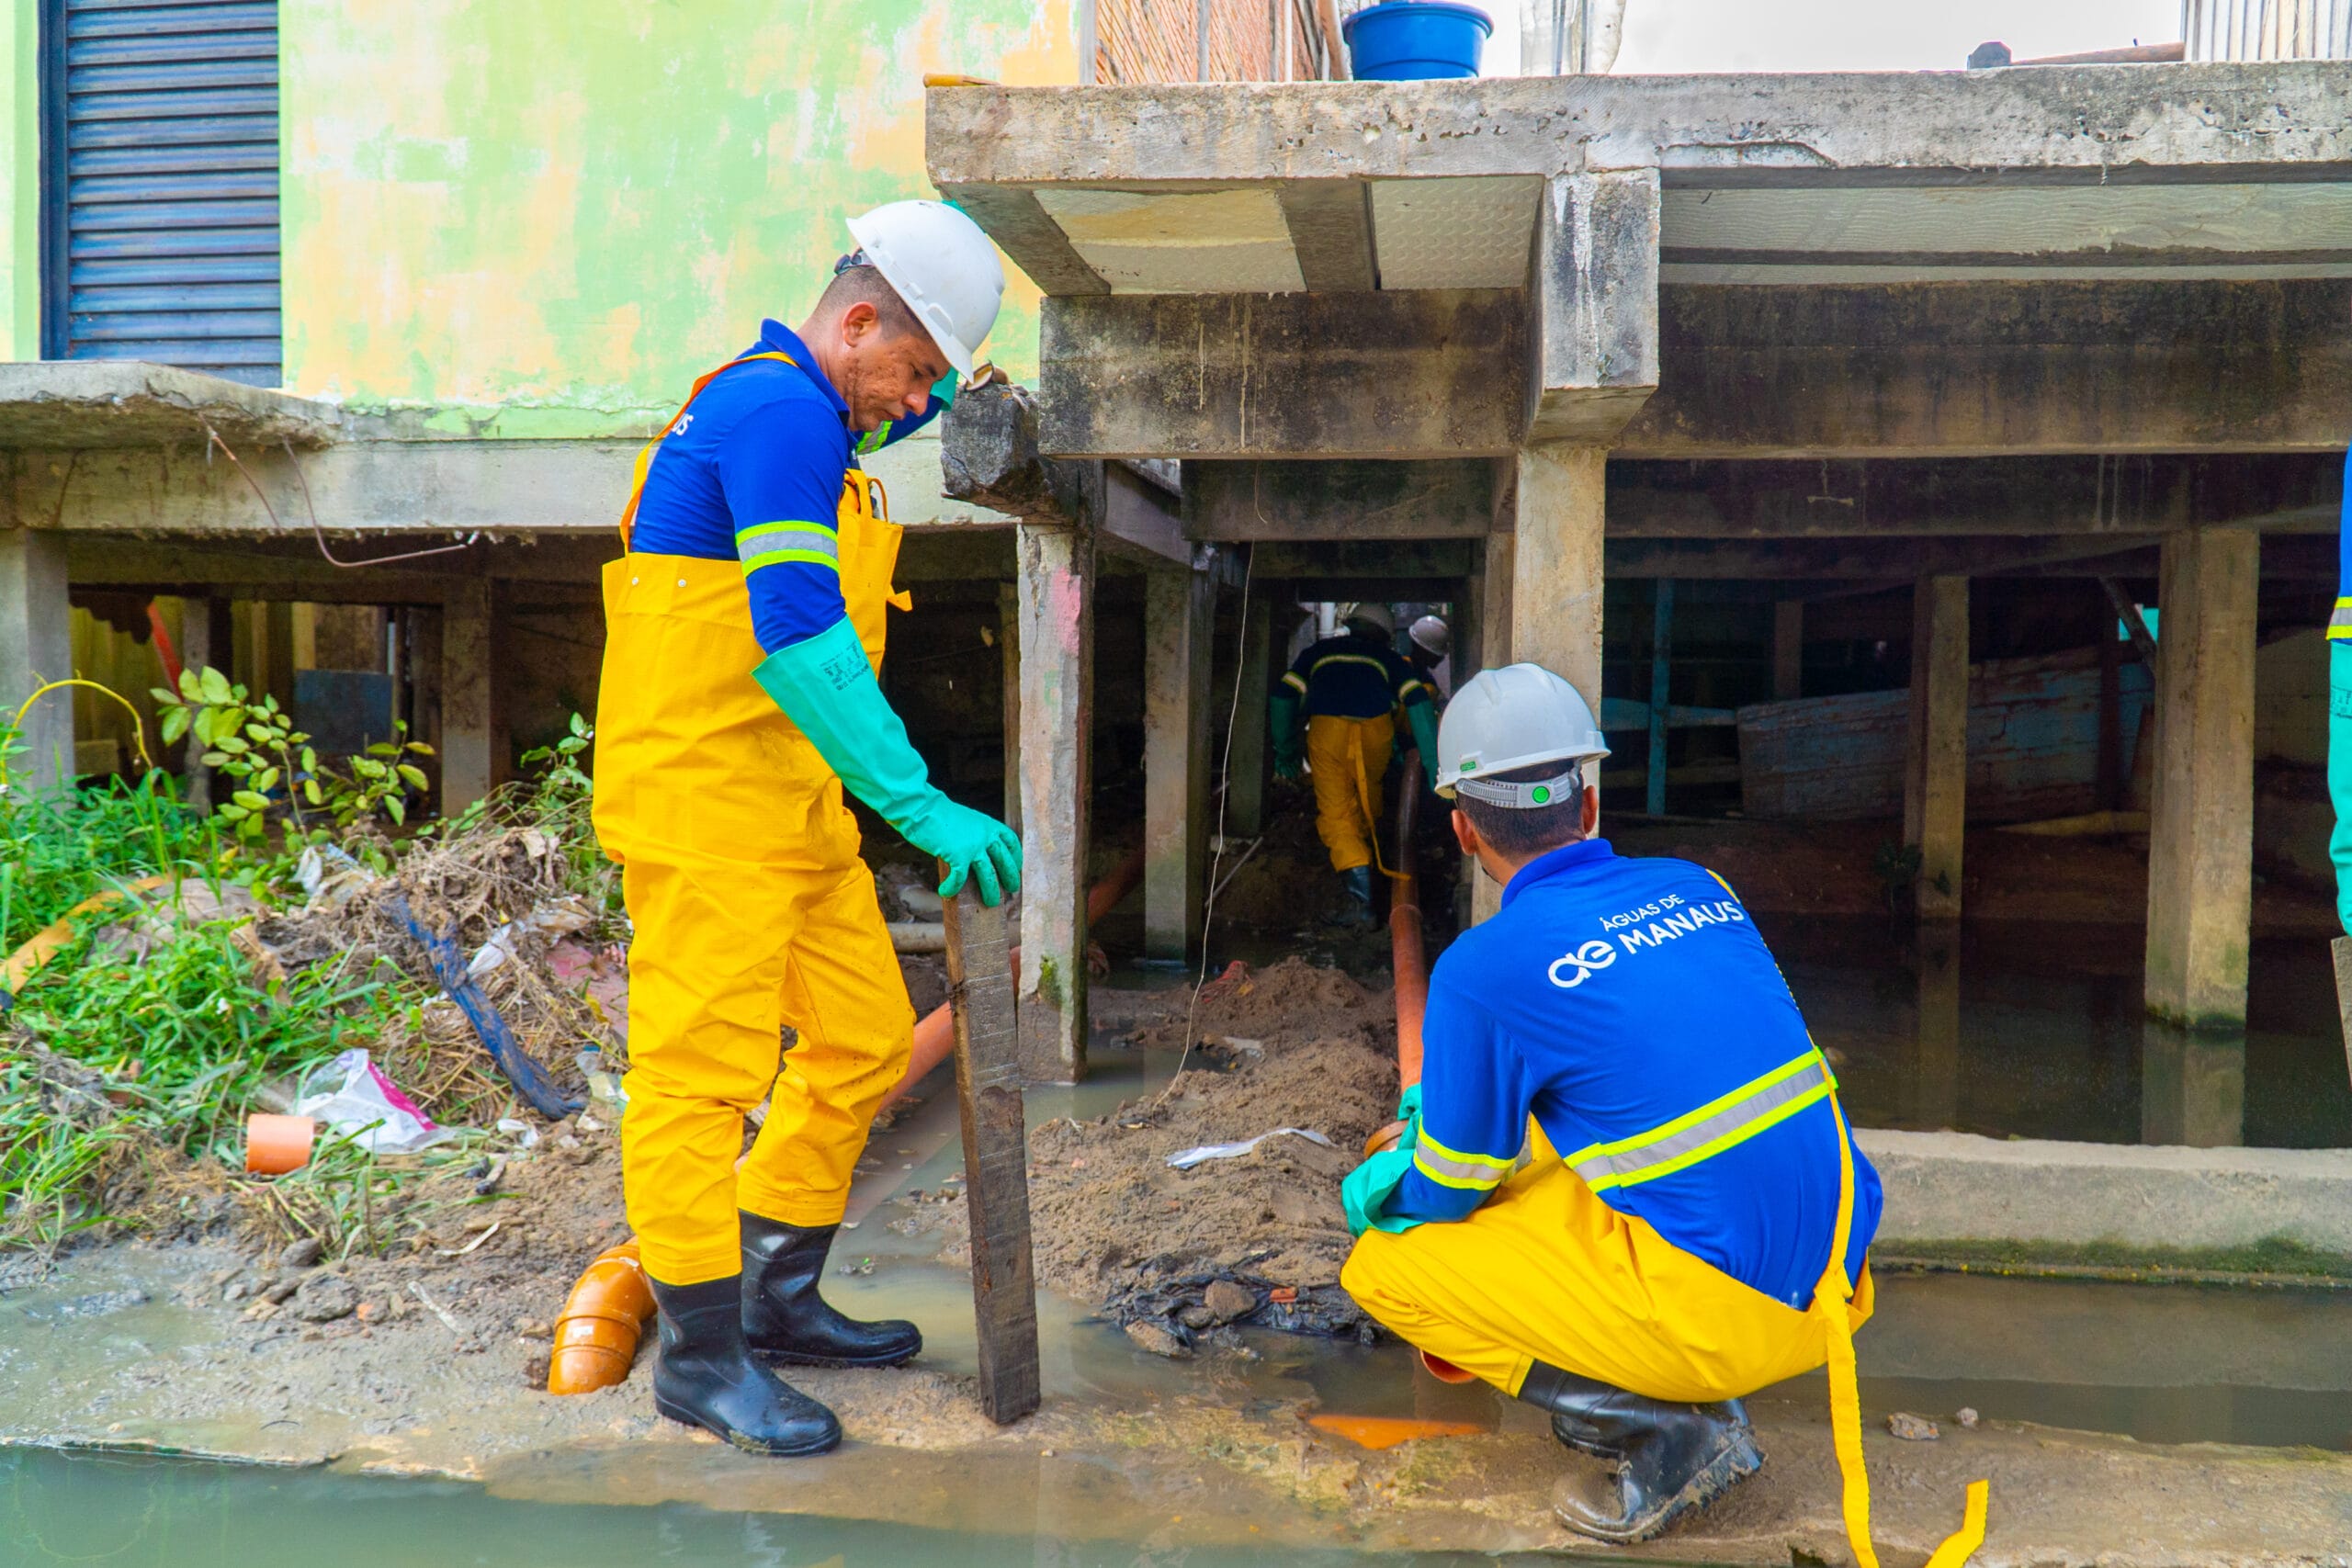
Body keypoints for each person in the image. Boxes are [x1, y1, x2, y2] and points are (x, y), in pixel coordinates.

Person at [1337, 664, 1985, 1557]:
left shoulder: (1483, 970)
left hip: (1733, 1319)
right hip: (1837, 1286)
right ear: (1590, 807)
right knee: (1562, 1154)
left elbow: (1451, 1191)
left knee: (1387, 1269)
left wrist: (1381, 1182)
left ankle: (1665, 1435)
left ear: (1460, 829)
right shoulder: (1700, 887)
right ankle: (1683, 1389)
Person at [592, 200, 1022, 1457]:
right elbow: (796, 633)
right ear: (858, 317)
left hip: (787, 809)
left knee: (863, 1033)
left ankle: (775, 1295)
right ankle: (704, 1359)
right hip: (706, 807)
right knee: (697, 1081)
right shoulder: (776, 408)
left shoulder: (815, 437)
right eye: (918, 370)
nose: (924, 402)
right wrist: (920, 800)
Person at [1271, 604, 1439, 926]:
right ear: (1386, 635)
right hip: (1375, 732)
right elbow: (1417, 702)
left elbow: (1282, 697)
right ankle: (1372, 865)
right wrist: (1433, 764)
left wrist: (1286, 751)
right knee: (1367, 798)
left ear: (1351, 624)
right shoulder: (1388, 660)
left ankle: (1360, 900)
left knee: (1337, 811)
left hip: (1328, 731)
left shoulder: (1319, 652)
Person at [1405, 613, 1453, 700]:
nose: (1440, 658)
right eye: (1436, 654)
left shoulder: (1425, 675)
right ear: (1422, 651)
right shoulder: (1405, 673)